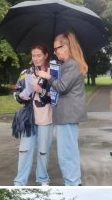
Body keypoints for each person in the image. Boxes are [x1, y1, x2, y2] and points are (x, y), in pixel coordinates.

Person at [36, 31, 87, 186]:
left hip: (68, 114)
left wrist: (48, 77)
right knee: (69, 151)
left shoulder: (72, 65)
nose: (56, 52)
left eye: (58, 48)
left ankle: (72, 183)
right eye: (54, 49)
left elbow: (62, 87)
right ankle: (75, 181)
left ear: (67, 46)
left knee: (66, 153)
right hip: (66, 115)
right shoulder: (66, 65)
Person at [13, 44, 54, 186]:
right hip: (28, 118)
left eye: (39, 55)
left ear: (45, 55)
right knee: (24, 150)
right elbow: (16, 91)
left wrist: (41, 91)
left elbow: (57, 95)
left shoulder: (52, 73)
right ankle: (20, 182)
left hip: (46, 117)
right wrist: (21, 96)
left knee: (44, 151)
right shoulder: (26, 72)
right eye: (33, 55)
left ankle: (43, 179)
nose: (35, 58)